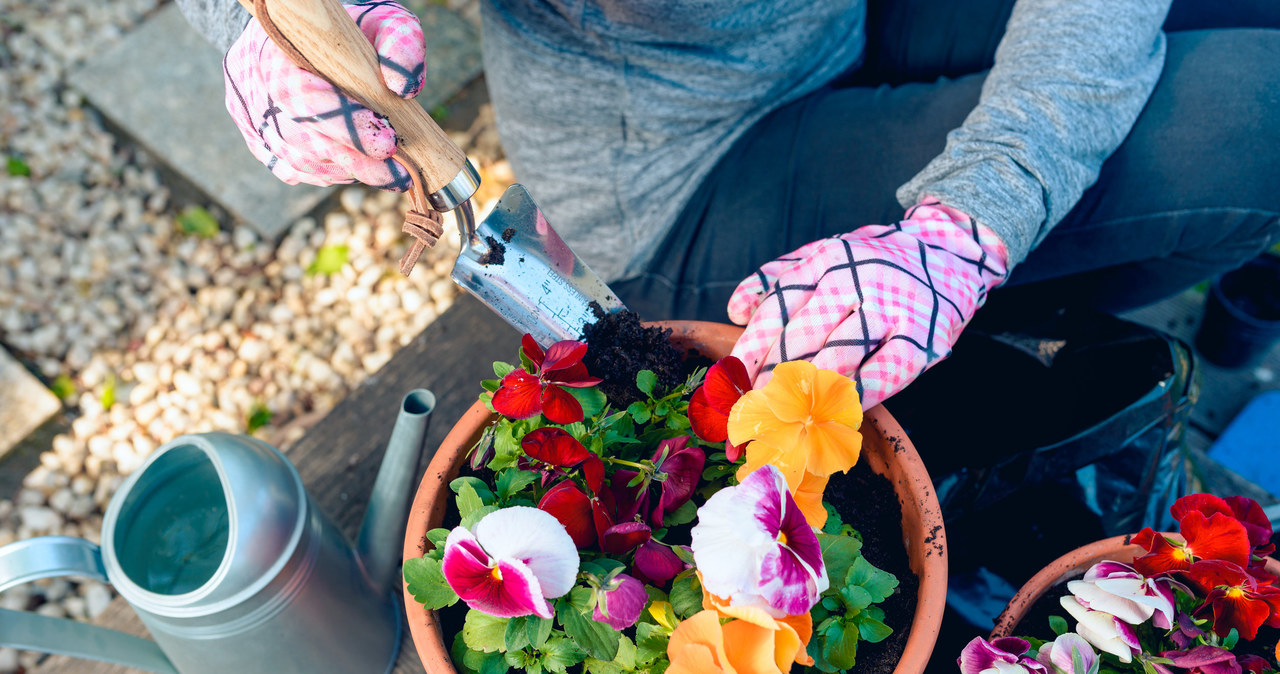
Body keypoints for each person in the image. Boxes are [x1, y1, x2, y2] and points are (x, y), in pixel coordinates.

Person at [181, 0, 1280, 410]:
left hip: (831, 22)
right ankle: (1014, 332)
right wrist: (261, 33)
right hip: (687, 169)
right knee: (1250, 116)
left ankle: (1010, 307)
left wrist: (969, 221)